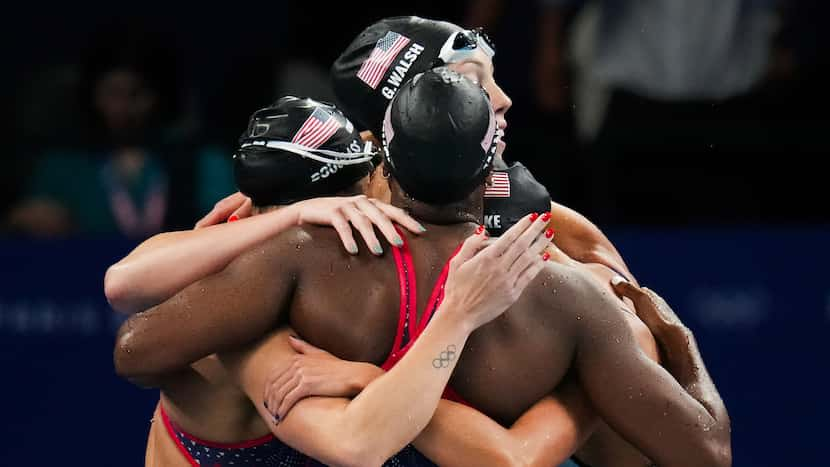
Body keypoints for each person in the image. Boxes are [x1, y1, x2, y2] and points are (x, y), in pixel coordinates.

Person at [114, 68, 731, 467]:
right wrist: (668, 345)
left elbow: (134, 347)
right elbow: (706, 454)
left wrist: (364, 374)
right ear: (489, 170)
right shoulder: (569, 297)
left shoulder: (301, 253)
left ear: (384, 155)